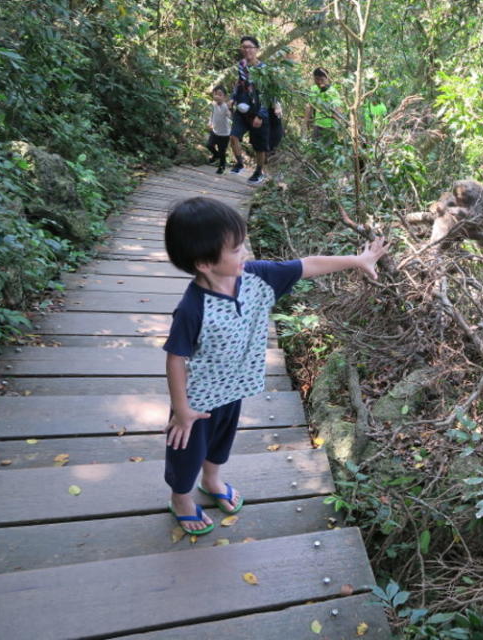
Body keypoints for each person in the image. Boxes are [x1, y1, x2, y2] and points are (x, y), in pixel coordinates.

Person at [162, 197, 387, 533]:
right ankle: (181, 498)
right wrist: (181, 410)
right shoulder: (192, 308)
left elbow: (307, 264)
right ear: (205, 263)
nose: (245, 254)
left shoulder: (257, 277)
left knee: (221, 442)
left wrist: (359, 260)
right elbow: (175, 358)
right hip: (197, 401)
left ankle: (211, 480)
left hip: (234, 389)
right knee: (186, 452)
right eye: (236, 250)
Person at [228, 36, 273, 185]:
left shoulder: (264, 70)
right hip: (242, 110)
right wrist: (233, 98)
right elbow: (238, 83)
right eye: (243, 47)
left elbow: (268, 94)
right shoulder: (241, 65)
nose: (246, 50)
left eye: (249, 47)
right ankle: (239, 163)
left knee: (259, 146)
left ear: (256, 49)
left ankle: (259, 171)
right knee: (234, 136)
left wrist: (261, 115)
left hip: (258, 111)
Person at [305, 67, 344, 149]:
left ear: (327, 79)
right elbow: (310, 106)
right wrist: (307, 120)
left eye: (322, 80)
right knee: (315, 148)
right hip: (317, 125)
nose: (319, 82)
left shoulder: (333, 93)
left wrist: (336, 128)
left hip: (329, 128)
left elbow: (338, 111)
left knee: (328, 151)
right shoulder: (314, 89)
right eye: (317, 79)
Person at [205, 85, 231, 174]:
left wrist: (229, 111)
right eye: (215, 94)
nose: (217, 97)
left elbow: (229, 115)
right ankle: (216, 155)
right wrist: (210, 122)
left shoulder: (226, 106)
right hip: (215, 131)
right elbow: (211, 114)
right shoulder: (213, 104)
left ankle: (222, 166)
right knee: (209, 145)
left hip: (225, 134)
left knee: (222, 151)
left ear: (225, 97)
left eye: (220, 95)